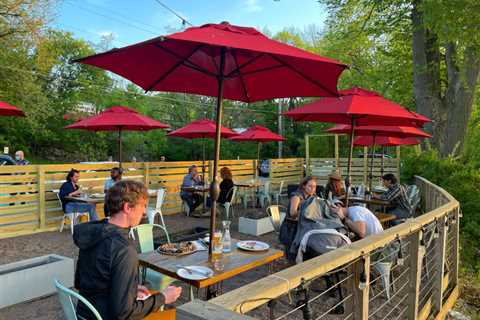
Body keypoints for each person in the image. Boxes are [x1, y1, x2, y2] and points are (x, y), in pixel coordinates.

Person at [73, 180, 182, 319]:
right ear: (127, 207)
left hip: (84, 313)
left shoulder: (93, 234)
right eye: (143, 206)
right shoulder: (124, 250)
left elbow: (81, 282)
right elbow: (123, 314)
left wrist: (129, 289)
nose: (144, 211)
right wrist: (163, 298)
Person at [279, 176, 318, 262]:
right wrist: (307, 212)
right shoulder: (296, 196)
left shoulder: (312, 197)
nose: (312, 189)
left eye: (314, 187)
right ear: (304, 186)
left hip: (302, 226)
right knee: (292, 256)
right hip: (291, 228)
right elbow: (293, 213)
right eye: (310, 186)